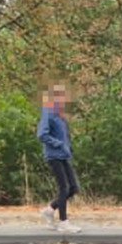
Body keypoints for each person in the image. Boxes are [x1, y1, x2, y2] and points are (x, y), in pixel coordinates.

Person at [37, 85, 78, 231]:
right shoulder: (48, 111)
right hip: (54, 155)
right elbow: (42, 134)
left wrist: (68, 148)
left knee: (73, 188)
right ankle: (63, 222)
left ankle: (49, 210)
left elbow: (66, 135)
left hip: (64, 155)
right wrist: (59, 144)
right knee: (64, 187)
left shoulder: (61, 114)